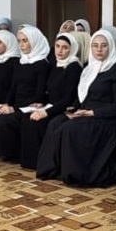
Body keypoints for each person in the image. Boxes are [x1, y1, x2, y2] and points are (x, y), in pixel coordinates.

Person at [36, 28, 116, 188]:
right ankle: (53, 170)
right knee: (56, 122)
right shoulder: (89, 68)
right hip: (85, 113)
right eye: (95, 45)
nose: (99, 49)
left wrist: (91, 113)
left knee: (71, 128)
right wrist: (73, 110)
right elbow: (82, 97)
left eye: (103, 46)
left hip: (106, 119)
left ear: (110, 47)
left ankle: (76, 174)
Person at [0, 24, 50, 162]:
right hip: (17, 104)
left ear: (34, 41)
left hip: (30, 105)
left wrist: (14, 108)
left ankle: (13, 154)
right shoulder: (20, 62)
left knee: (6, 120)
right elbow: (13, 87)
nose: (21, 45)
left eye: (25, 41)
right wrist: (6, 103)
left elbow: (39, 95)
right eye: (19, 41)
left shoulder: (42, 64)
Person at [19, 32, 82, 170]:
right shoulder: (55, 64)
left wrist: (46, 112)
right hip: (51, 106)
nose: (60, 50)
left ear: (72, 49)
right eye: (57, 46)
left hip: (64, 110)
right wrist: (41, 104)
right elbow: (51, 92)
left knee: (38, 122)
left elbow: (67, 99)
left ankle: (42, 163)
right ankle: (31, 162)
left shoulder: (74, 67)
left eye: (65, 47)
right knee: (27, 118)